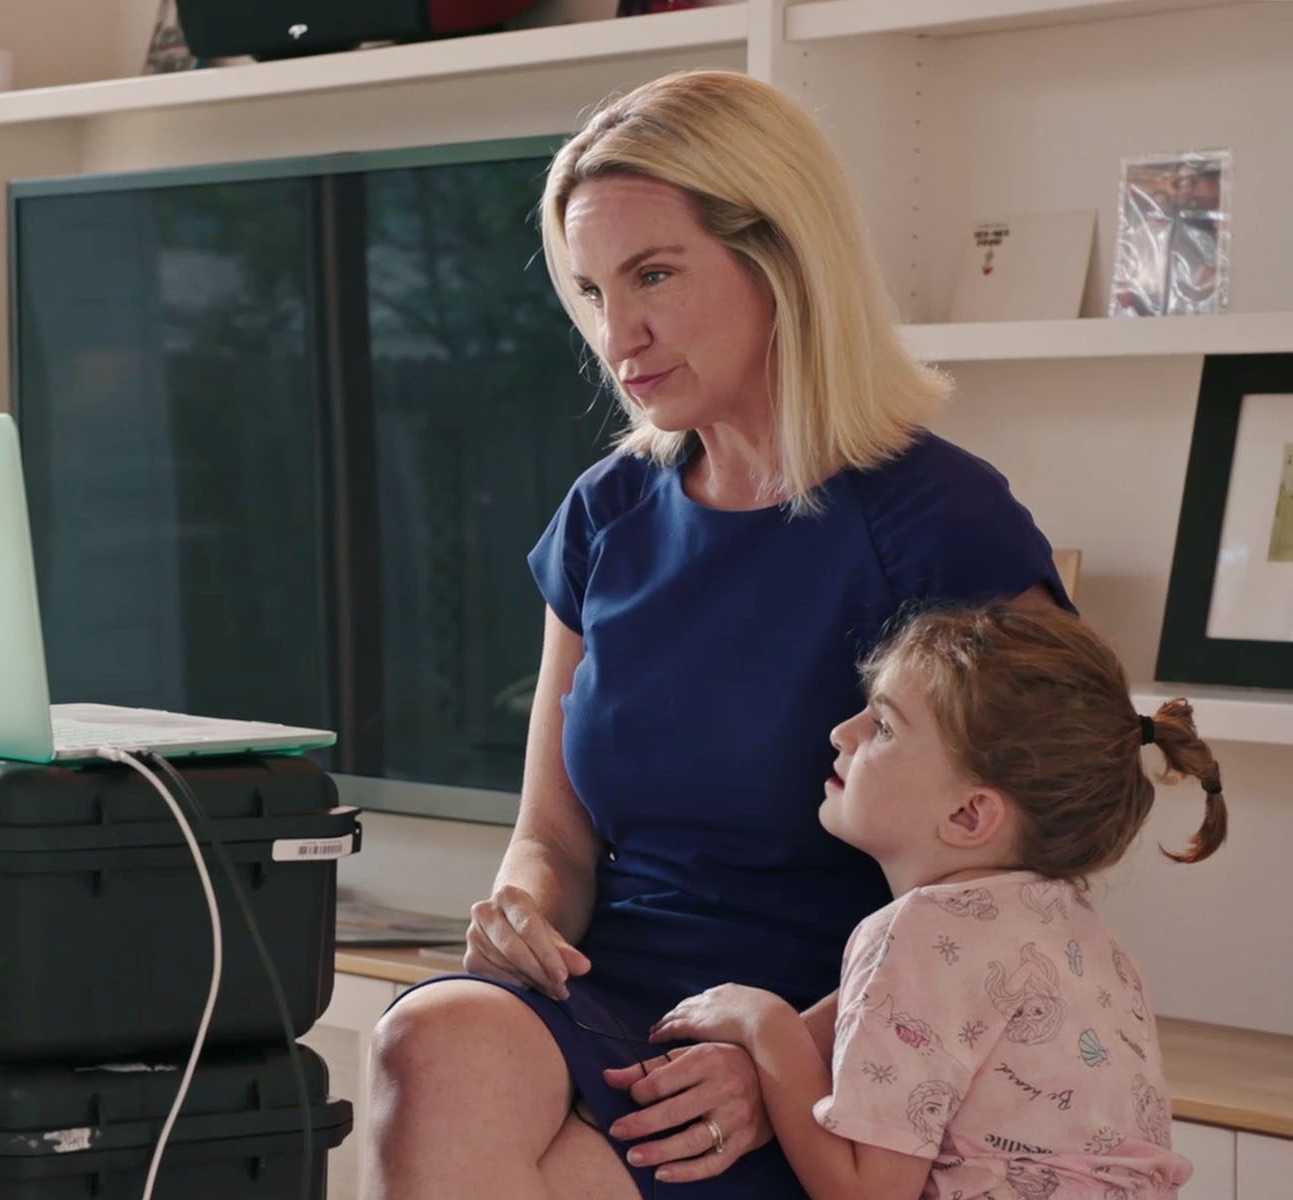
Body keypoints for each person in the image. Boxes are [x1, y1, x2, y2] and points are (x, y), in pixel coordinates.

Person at [364, 68, 1072, 1200]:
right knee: (429, 1041)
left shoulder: (943, 524)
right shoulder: (607, 513)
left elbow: (1026, 888)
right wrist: (522, 918)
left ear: (780, 258)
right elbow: (554, 833)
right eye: (592, 292)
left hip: (850, 1038)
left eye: (655, 275)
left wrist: (793, 1059)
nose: (617, 333)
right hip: (614, 992)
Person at [650, 605, 1219, 1199]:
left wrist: (764, 1023)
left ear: (968, 814)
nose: (843, 732)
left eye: (885, 727)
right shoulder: (1085, 932)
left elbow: (868, 1195)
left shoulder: (921, 931)